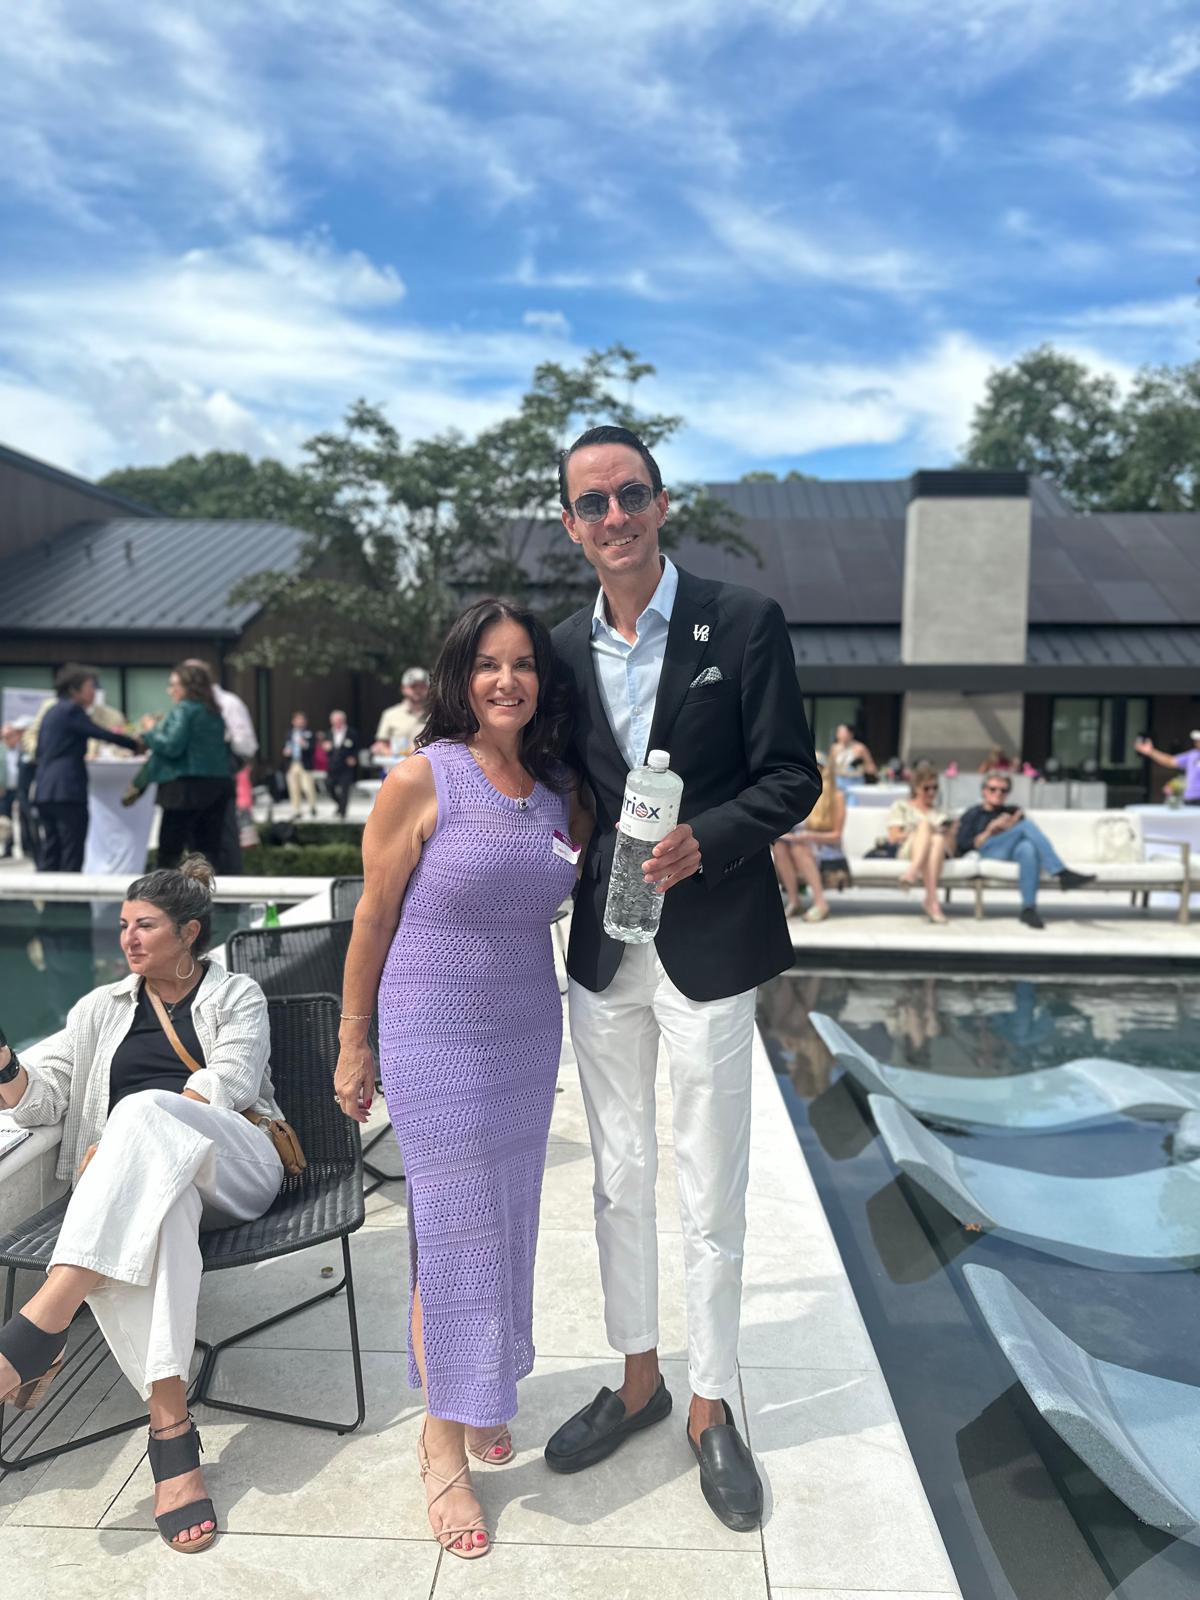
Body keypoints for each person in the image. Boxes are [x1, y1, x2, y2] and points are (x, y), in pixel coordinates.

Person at [545, 425, 819, 1532]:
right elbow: (549, 779)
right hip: (608, 947)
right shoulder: (558, 647)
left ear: (663, 504)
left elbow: (792, 774)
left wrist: (707, 835)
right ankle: (639, 1376)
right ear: (570, 524)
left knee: (710, 1181)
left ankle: (711, 1403)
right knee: (618, 1175)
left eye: (631, 495)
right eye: (592, 502)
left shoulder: (740, 621)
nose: (614, 516)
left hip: (708, 941)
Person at [335, 599, 590, 1561]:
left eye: (523, 664)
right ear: (460, 675)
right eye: (488, 664)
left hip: (528, 1026)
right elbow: (371, 920)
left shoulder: (562, 789)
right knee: (453, 1226)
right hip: (429, 1027)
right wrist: (354, 1042)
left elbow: (599, 878)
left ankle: (480, 1388)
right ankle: (443, 1445)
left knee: (510, 1216)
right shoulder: (422, 776)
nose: (506, 681)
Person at [0, 857, 285, 1554]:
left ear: (189, 933)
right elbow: (48, 1098)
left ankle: (43, 1320)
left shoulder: (236, 993)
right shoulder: (98, 1009)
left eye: (145, 925)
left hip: (240, 1161)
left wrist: (137, 1131)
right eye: (124, 925)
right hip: (157, 1190)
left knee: (143, 1113)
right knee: (162, 1216)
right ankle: (172, 1437)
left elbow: (233, 1079)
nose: (128, 938)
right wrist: (7, 1067)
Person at [34, 664, 143, 871]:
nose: (94, 692)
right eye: (90, 687)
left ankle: (48, 902)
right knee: (71, 851)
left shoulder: (52, 711)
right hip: (66, 791)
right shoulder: (72, 710)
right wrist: (134, 744)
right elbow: (98, 732)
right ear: (75, 690)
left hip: (44, 789)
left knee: (51, 850)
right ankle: (69, 902)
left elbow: (40, 749)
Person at [955, 772, 1095, 929]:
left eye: (1003, 790)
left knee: (1028, 848)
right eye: (993, 789)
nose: (998, 793)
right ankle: (1061, 872)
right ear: (984, 791)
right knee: (1026, 827)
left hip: (1013, 850)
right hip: (988, 850)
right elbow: (963, 845)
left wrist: (1010, 828)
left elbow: (1028, 838)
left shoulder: (1013, 811)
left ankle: (1028, 909)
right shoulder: (974, 813)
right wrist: (990, 830)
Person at [134, 663, 235, 870]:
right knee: (206, 852)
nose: (169, 690)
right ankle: (207, 900)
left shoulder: (184, 709)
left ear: (189, 687)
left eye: (174, 685)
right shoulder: (213, 712)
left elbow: (171, 746)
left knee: (169, 851)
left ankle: (164, 900)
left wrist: (151, 731)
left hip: (183, 787)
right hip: (217, 785)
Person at [182, 659, 257, 876]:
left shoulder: (228, 703)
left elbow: (246, 744)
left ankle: (229, 896)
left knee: (223, 835)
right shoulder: (190, 706)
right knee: (198, 840)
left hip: (221, 771)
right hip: (195, 779)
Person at [773, 754, 846, 923]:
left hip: (826, 847)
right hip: (800, 843)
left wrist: (809, 836)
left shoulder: (836, 797)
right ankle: (794, 900)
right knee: (779, 846)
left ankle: (821, 903)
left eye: (818, 767)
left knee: (799, 848)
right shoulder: (801, 794)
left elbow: (837, 835)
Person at [888, 761, 952, 923]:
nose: (931, 792)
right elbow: (894, 837)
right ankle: (932, 900)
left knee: (936, 838)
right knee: (925, 826)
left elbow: (951, 844)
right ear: (916, 788)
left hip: (937, 852)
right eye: (926, 788)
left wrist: (940, 831)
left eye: (935, 788)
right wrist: (918, 833)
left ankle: (920, 884)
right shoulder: (901, 807)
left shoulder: (941, 812)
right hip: (909, 849)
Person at [372, 667, 430, 757]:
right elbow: (381, 745)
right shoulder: (390, 714)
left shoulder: (437, 715)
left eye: (422, 686)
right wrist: (395, 755)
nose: (418, 690)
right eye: (413, 686)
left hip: (429, 769)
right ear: (403, 688)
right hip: (398, 767)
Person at [1135, 731, 1200, 806]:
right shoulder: (1192, 755)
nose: (1197, 742)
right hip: (1191, 798)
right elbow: (1170, 761)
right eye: (1196, 740)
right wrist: (1151, 752)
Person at [321, 710, 359, 818]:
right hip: (333, 765)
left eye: (339, 720)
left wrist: (354, 758)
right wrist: (326, 748)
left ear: (343, 720)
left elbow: (356, 748)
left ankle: (342, 812)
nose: (336, 723)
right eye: (334, 721)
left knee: (345, 789)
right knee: (329, 786)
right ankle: (340, 804)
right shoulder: (328, 733)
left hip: (346, 765)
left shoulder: (351, 732)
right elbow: (326, 748)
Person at [282, 713, 318, 818]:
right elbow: (286, 746)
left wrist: (304, 744)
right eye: (298, 720)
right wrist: (286, 751)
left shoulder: (309, 733)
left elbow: (312, 749)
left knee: (307, 786)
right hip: (292, 763)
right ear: (293, 722)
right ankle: (296, 810)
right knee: (293, 788)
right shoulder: (289, 733)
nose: (300, 722)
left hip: (304, 763)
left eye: (302, 720)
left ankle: (312, 806)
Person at [830, 721, 876, 786]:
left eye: (843, 732)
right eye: (838, 732)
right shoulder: (835, 748)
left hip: (855, 782)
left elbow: (871, 767)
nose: (839, 735)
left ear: (851, 734)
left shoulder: (860, 748)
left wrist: (862, 768)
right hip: (838, 781)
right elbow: (830, 766)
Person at [1, 722, 22, 858]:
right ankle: (7, 847)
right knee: (5, 819)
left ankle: (24, 846)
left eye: (10, 736)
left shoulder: (21, 751)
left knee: (22, 818)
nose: (8, 739)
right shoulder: (1, 751)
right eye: (5, 736)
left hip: (19, 789)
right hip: (4, 789)